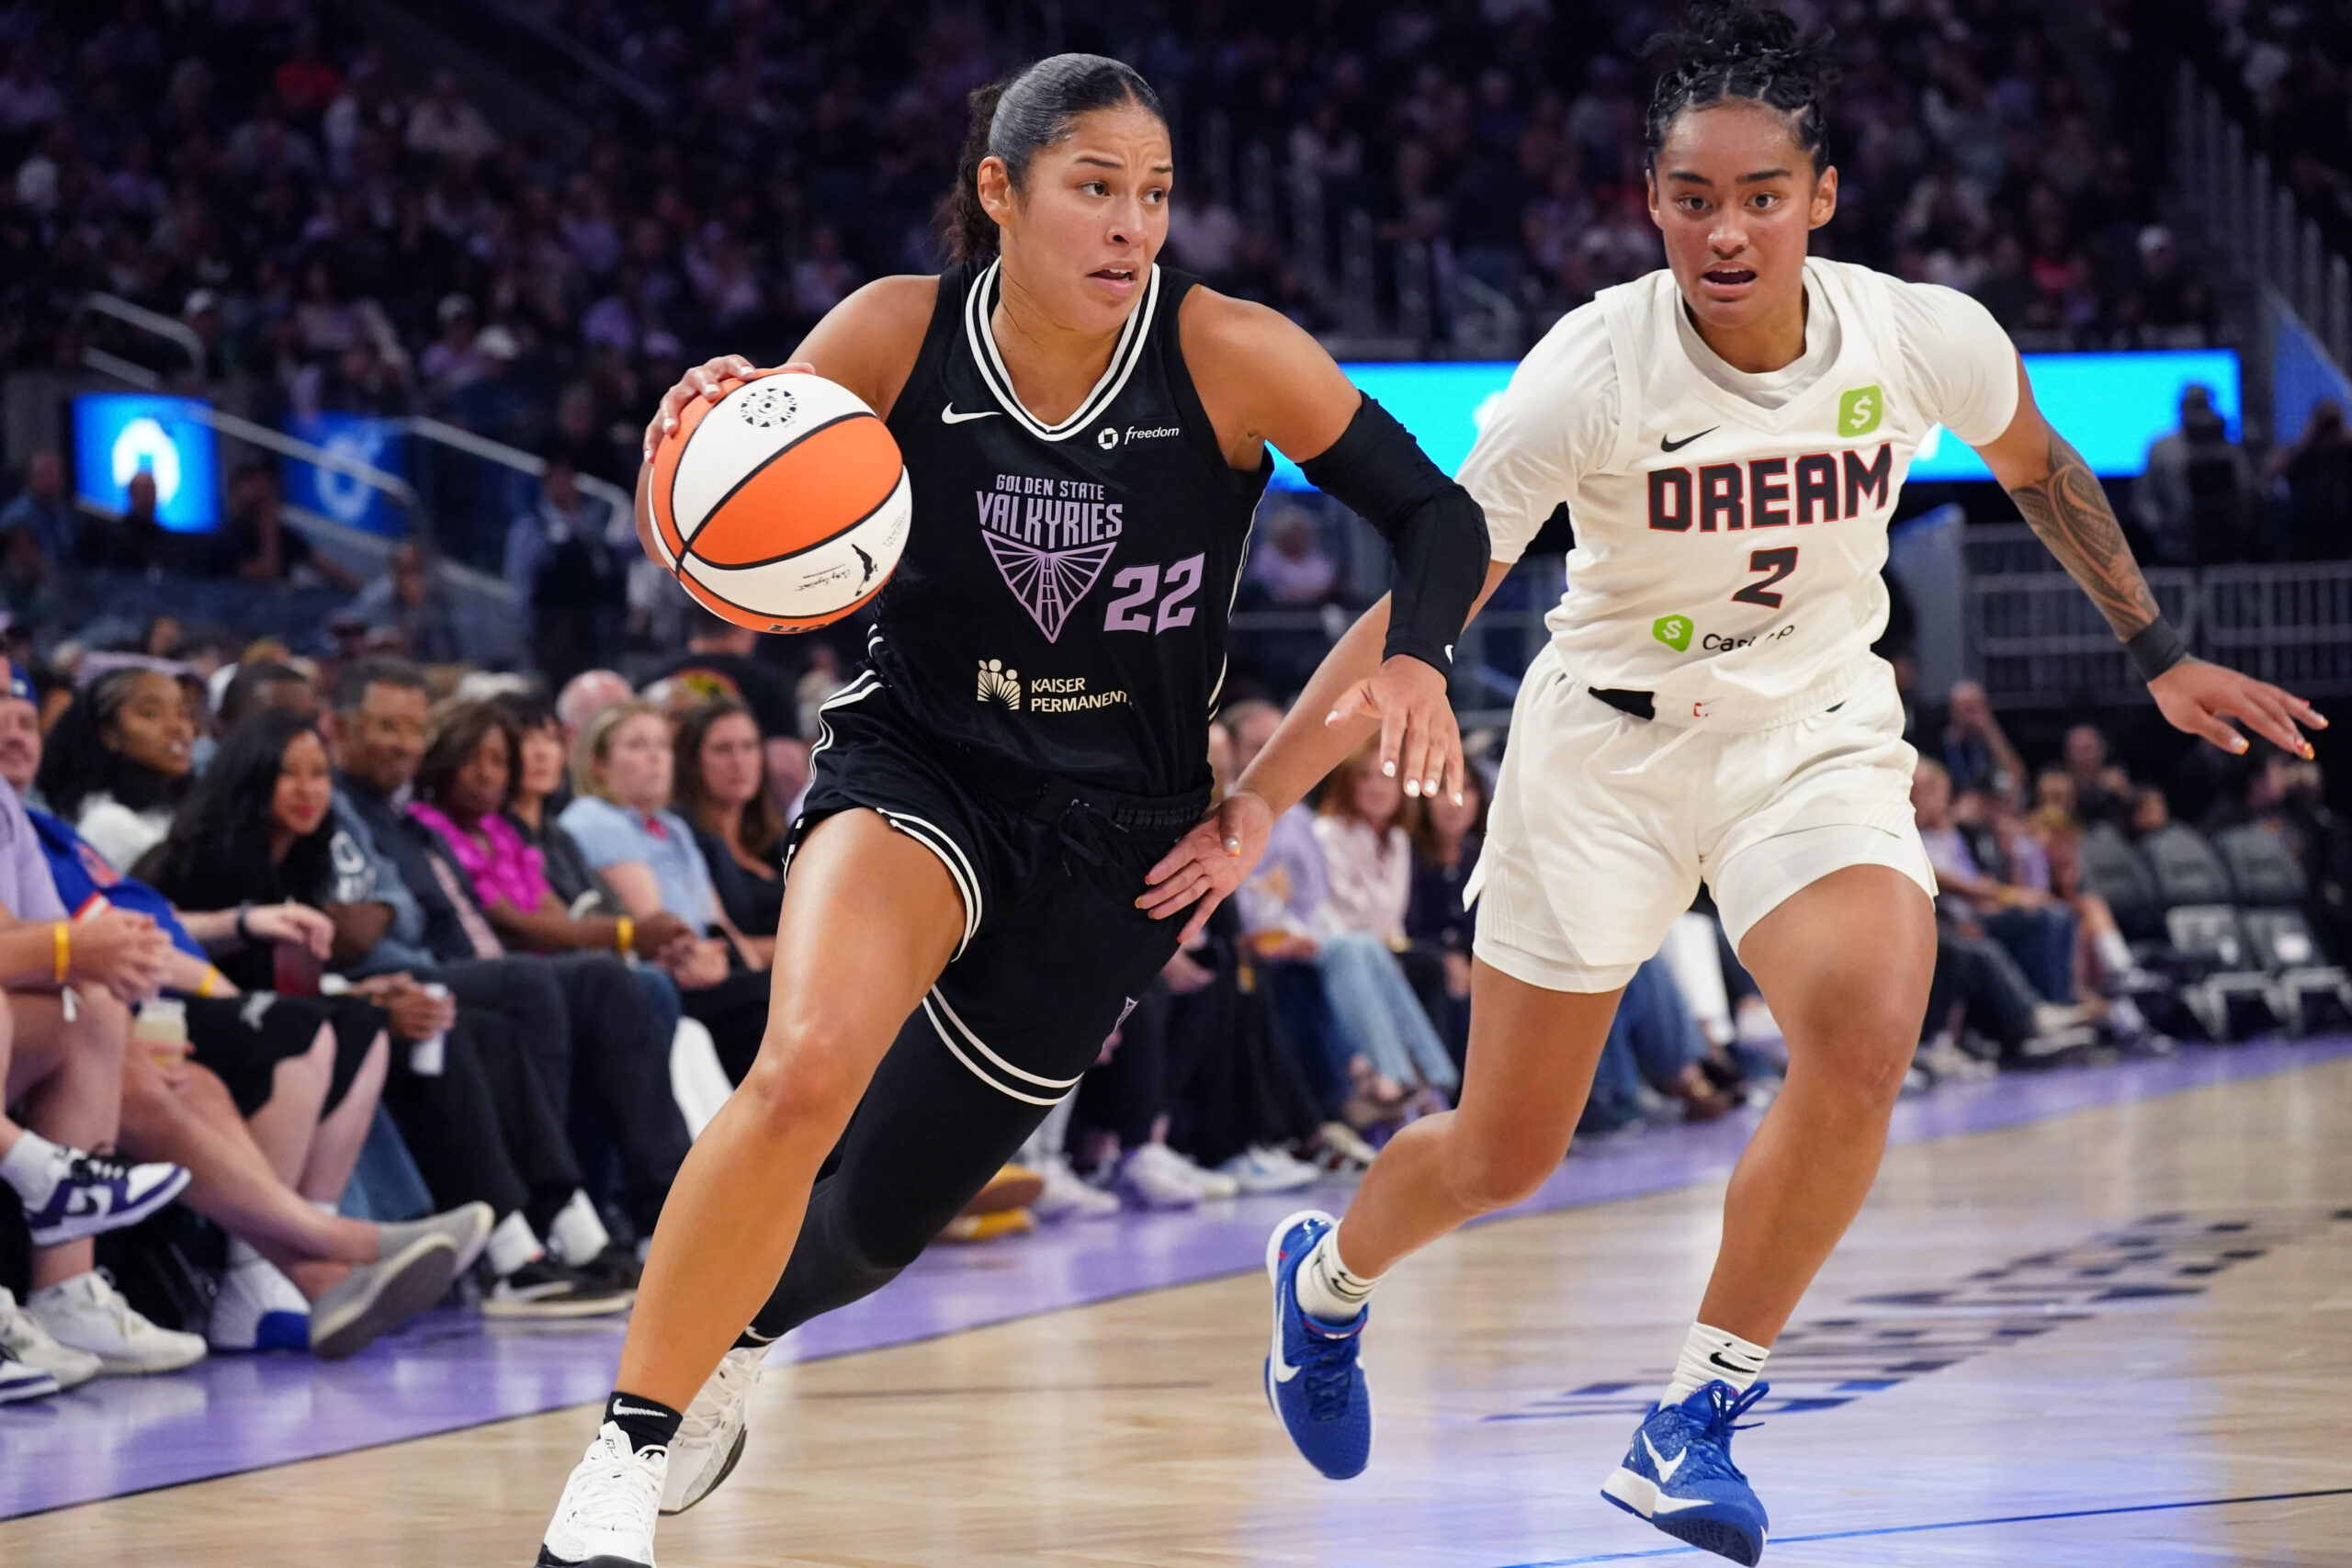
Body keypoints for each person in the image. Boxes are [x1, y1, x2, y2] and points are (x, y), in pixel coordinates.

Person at [1179, 8, 2324, 1562]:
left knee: (1862, 1031)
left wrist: (2159, 652)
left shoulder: (1919, 333)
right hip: (1608, 745)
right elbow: (1425, 592)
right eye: (1694, 196)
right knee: (1506, 1150)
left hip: (1813, 727)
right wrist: (1261, 795)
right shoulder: (1587, 367)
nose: (1727, 228)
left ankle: (1696, 1414)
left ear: (1822, 196)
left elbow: (2043, 465)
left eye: (1761, 194)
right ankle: (1325, 1281)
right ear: (1651, 202)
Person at [532, 52, 1485, 1566]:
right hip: (920, 763)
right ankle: (617, 1460)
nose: (1132, 228)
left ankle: (741, 1327)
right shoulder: (892, 330)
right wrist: (702, 439)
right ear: (1001, 188)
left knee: (874, 1226)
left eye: (1156, 195)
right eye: (1095, 187)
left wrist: (1328, 742)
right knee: (803, 1071)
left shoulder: (1230, 353)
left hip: (1122, 834)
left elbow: (1442, 513)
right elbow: (743, 502)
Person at [34, 666, 195, 873]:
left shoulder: (183, 808)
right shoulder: (108, 821)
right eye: (150, 713)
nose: (178, 727)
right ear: (109, 734)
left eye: (184, 713)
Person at [671, 698, 784, 953]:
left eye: (749, 746)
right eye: (722, 749)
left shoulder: (775, 839)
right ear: (691, 761)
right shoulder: (680, 839)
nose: (739, 761)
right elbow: (715, 943)